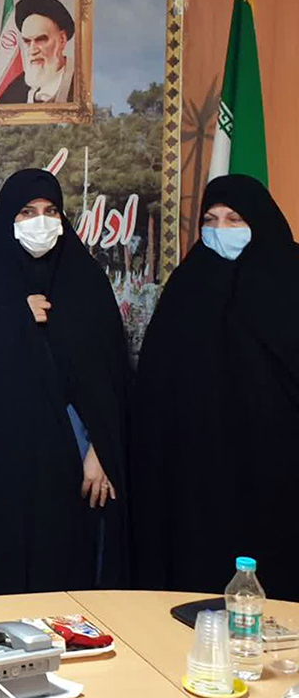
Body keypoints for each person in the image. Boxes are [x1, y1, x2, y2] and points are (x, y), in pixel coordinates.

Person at [0, 169, 129, 598]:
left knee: (65, 585)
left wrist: (102, 451)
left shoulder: (86, 283)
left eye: (51, 211)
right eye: (27, 212)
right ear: (8, 218)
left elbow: (111, 380)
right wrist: (15, 320)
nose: (41, 222)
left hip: (73, 471)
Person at [130, 175, 299, 600]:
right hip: (199, 464)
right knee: (199, 572)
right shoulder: (188, 283)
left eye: (234, 219)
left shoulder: (290, 276)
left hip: (276, 463)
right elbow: (159, 378)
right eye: (210, 219)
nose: (220, 229)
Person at [0, 0, 75, 105]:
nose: (32, 50)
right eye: (27, 41)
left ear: (62, 40)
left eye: (41, 39)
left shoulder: (80, 83)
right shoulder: (16, 88)